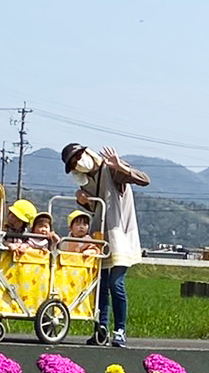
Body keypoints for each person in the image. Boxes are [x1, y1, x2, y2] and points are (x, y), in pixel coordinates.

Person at [61, 143, 150, 347]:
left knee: (115, 284)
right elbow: (96, 209)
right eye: (73, 163)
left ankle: (120, 330)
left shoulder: (110, 169)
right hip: (99, 237)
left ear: (86, 153)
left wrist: (120, 166)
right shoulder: (86, 181)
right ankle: (101, 329)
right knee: (100, 285)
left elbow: (144, 180)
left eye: (77, 157)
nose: (78, 163)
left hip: (120, 236)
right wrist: (82, 201)